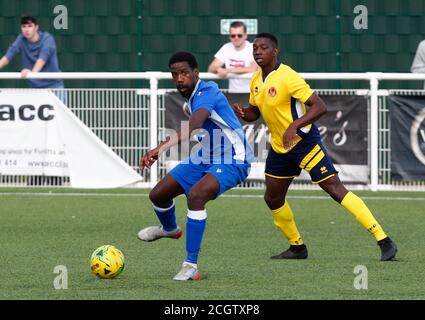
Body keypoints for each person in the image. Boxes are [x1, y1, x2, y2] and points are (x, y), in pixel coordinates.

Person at [233, 33, 397, 261]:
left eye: (263, 48)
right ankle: (297, 247)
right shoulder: (256, 80)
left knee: (335, 189)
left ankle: (384, 240)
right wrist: (244, 114)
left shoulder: (288, 77)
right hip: (281, 148)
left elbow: (320, 107)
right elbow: (256, 113)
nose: (258, 51)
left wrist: (295, 125)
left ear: (275, 51)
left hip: (303, 143)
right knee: (272, 198)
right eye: (255, 48)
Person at [137, 52, 253, 281]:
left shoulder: (207, 90)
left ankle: (190, 265)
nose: (179, 78)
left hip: (234, 158)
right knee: (158, 195)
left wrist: (158, 149)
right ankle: (170, 229)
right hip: (206, 154)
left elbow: (194, 125)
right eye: (175, 74)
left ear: (195, 73)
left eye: (184, 73)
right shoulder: (191, 97)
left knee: (197, 196)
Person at [0, 16, 65, 99]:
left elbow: (42, 59)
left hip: (55, 87)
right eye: (24, 26)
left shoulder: (48, 39)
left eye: (30, 26)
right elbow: (8, 56)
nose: (27, 30)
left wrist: (31, 73)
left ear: (36, 27)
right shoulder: (20, 39)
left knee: (57, 112)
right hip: (35, 89)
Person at [208, 21, 258, 94]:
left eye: (239, 35)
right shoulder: (226, 48)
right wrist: (218, 69)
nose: (236, 38)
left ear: (245, 35)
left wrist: (228, 70)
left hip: (253, 94)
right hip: (234, 94)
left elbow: (253, 69)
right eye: (233, 35)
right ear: (229, 36)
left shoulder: (252, 48)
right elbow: (211, 68)